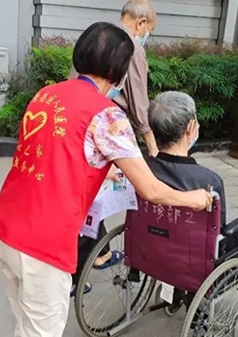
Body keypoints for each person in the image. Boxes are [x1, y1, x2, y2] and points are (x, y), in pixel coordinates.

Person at [0, 23, 213, 337]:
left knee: (27, 328)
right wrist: (197, 199)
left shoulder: (46, 95)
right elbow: (151, 189)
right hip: (43, 243)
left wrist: (98, 173)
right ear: (120, 71)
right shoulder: (107, 116)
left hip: (4, 227)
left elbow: (53, 156)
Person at [71, 0, 159, 295]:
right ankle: (73, 271)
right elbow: (139, 99)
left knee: (89, 194)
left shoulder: (96, 37)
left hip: (77, 123)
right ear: (142, 23)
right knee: (91, 194)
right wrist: (151, 143)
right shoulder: (129, 46)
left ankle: (97, 252)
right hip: (103, 131)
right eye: (149, 30)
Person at [146, 91, 238, 254]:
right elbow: (218, 229)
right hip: (195, 252)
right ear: (191, 127)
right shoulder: (208, 180)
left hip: (152, 242)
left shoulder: (142, 171)